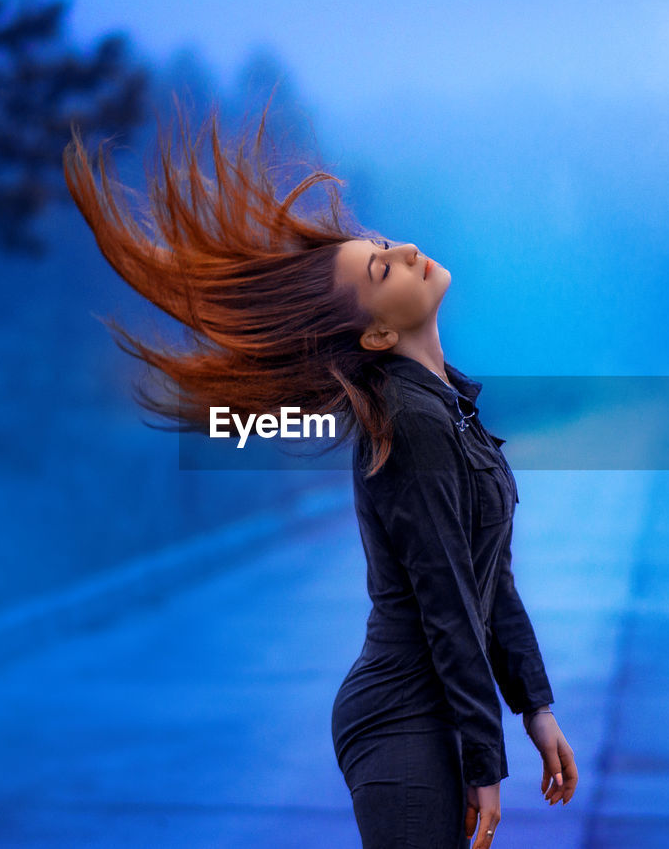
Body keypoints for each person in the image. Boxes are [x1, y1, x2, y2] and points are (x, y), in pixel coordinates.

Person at [62, 96, 578, 849]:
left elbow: (488, 580)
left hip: (426, 715)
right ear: (376, 328)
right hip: (403, 722)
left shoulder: (449, 406)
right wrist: (483, 756)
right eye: (382, 265)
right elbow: (443, 597)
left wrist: (536, 706)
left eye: (384, 245)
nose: (403, 248)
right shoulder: (415, 422)